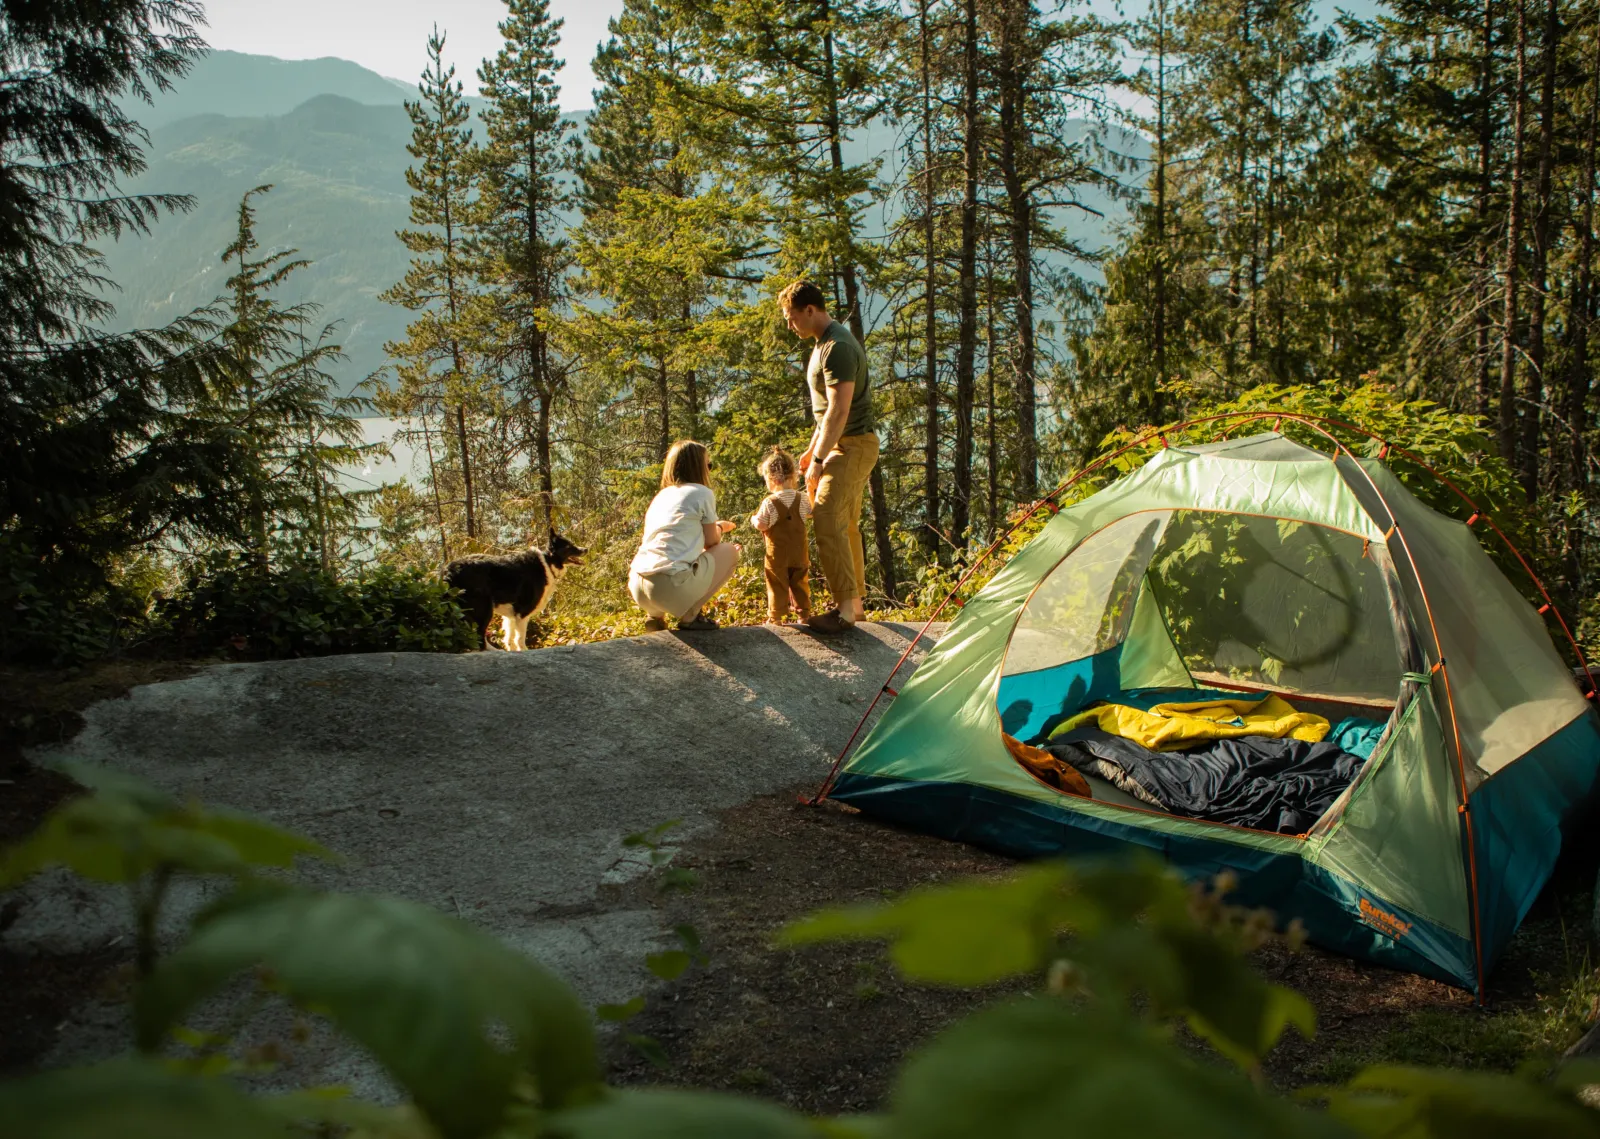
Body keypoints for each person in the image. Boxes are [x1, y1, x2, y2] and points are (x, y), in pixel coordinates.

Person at [780, 279, 879, 634]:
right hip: (839, 441)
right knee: (844, 522)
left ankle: (845, 612)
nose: (790, 325)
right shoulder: (822, 344)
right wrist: (812, 449)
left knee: (825, 515)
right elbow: (825, 414)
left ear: (810, 310)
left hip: (852, 443)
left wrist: (821, 458)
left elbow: (840, 409)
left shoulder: (837, 346)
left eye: (792, 317)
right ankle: (854, 605)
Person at [628, 440, 740, 632]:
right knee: (730, 551)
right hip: (668, 586)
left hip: (638, 585)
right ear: (699, 468)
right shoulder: (702, 493)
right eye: (708, 465)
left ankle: (655, 616)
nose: (709, 470)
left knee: (672, 560)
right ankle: (691, 614)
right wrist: (720, 526)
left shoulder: (661, 496)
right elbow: (712, 542)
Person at [749, 447, 813, 625]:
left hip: (777, 554)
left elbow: (762, 524)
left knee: (776, 583)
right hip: (800, 552)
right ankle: (804, 615)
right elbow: (812, 512)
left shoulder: (770, 502)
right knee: (800, 582)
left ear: (771, 479)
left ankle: (776, 617)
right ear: (793, 476)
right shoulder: (802, 498)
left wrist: (753, 520)